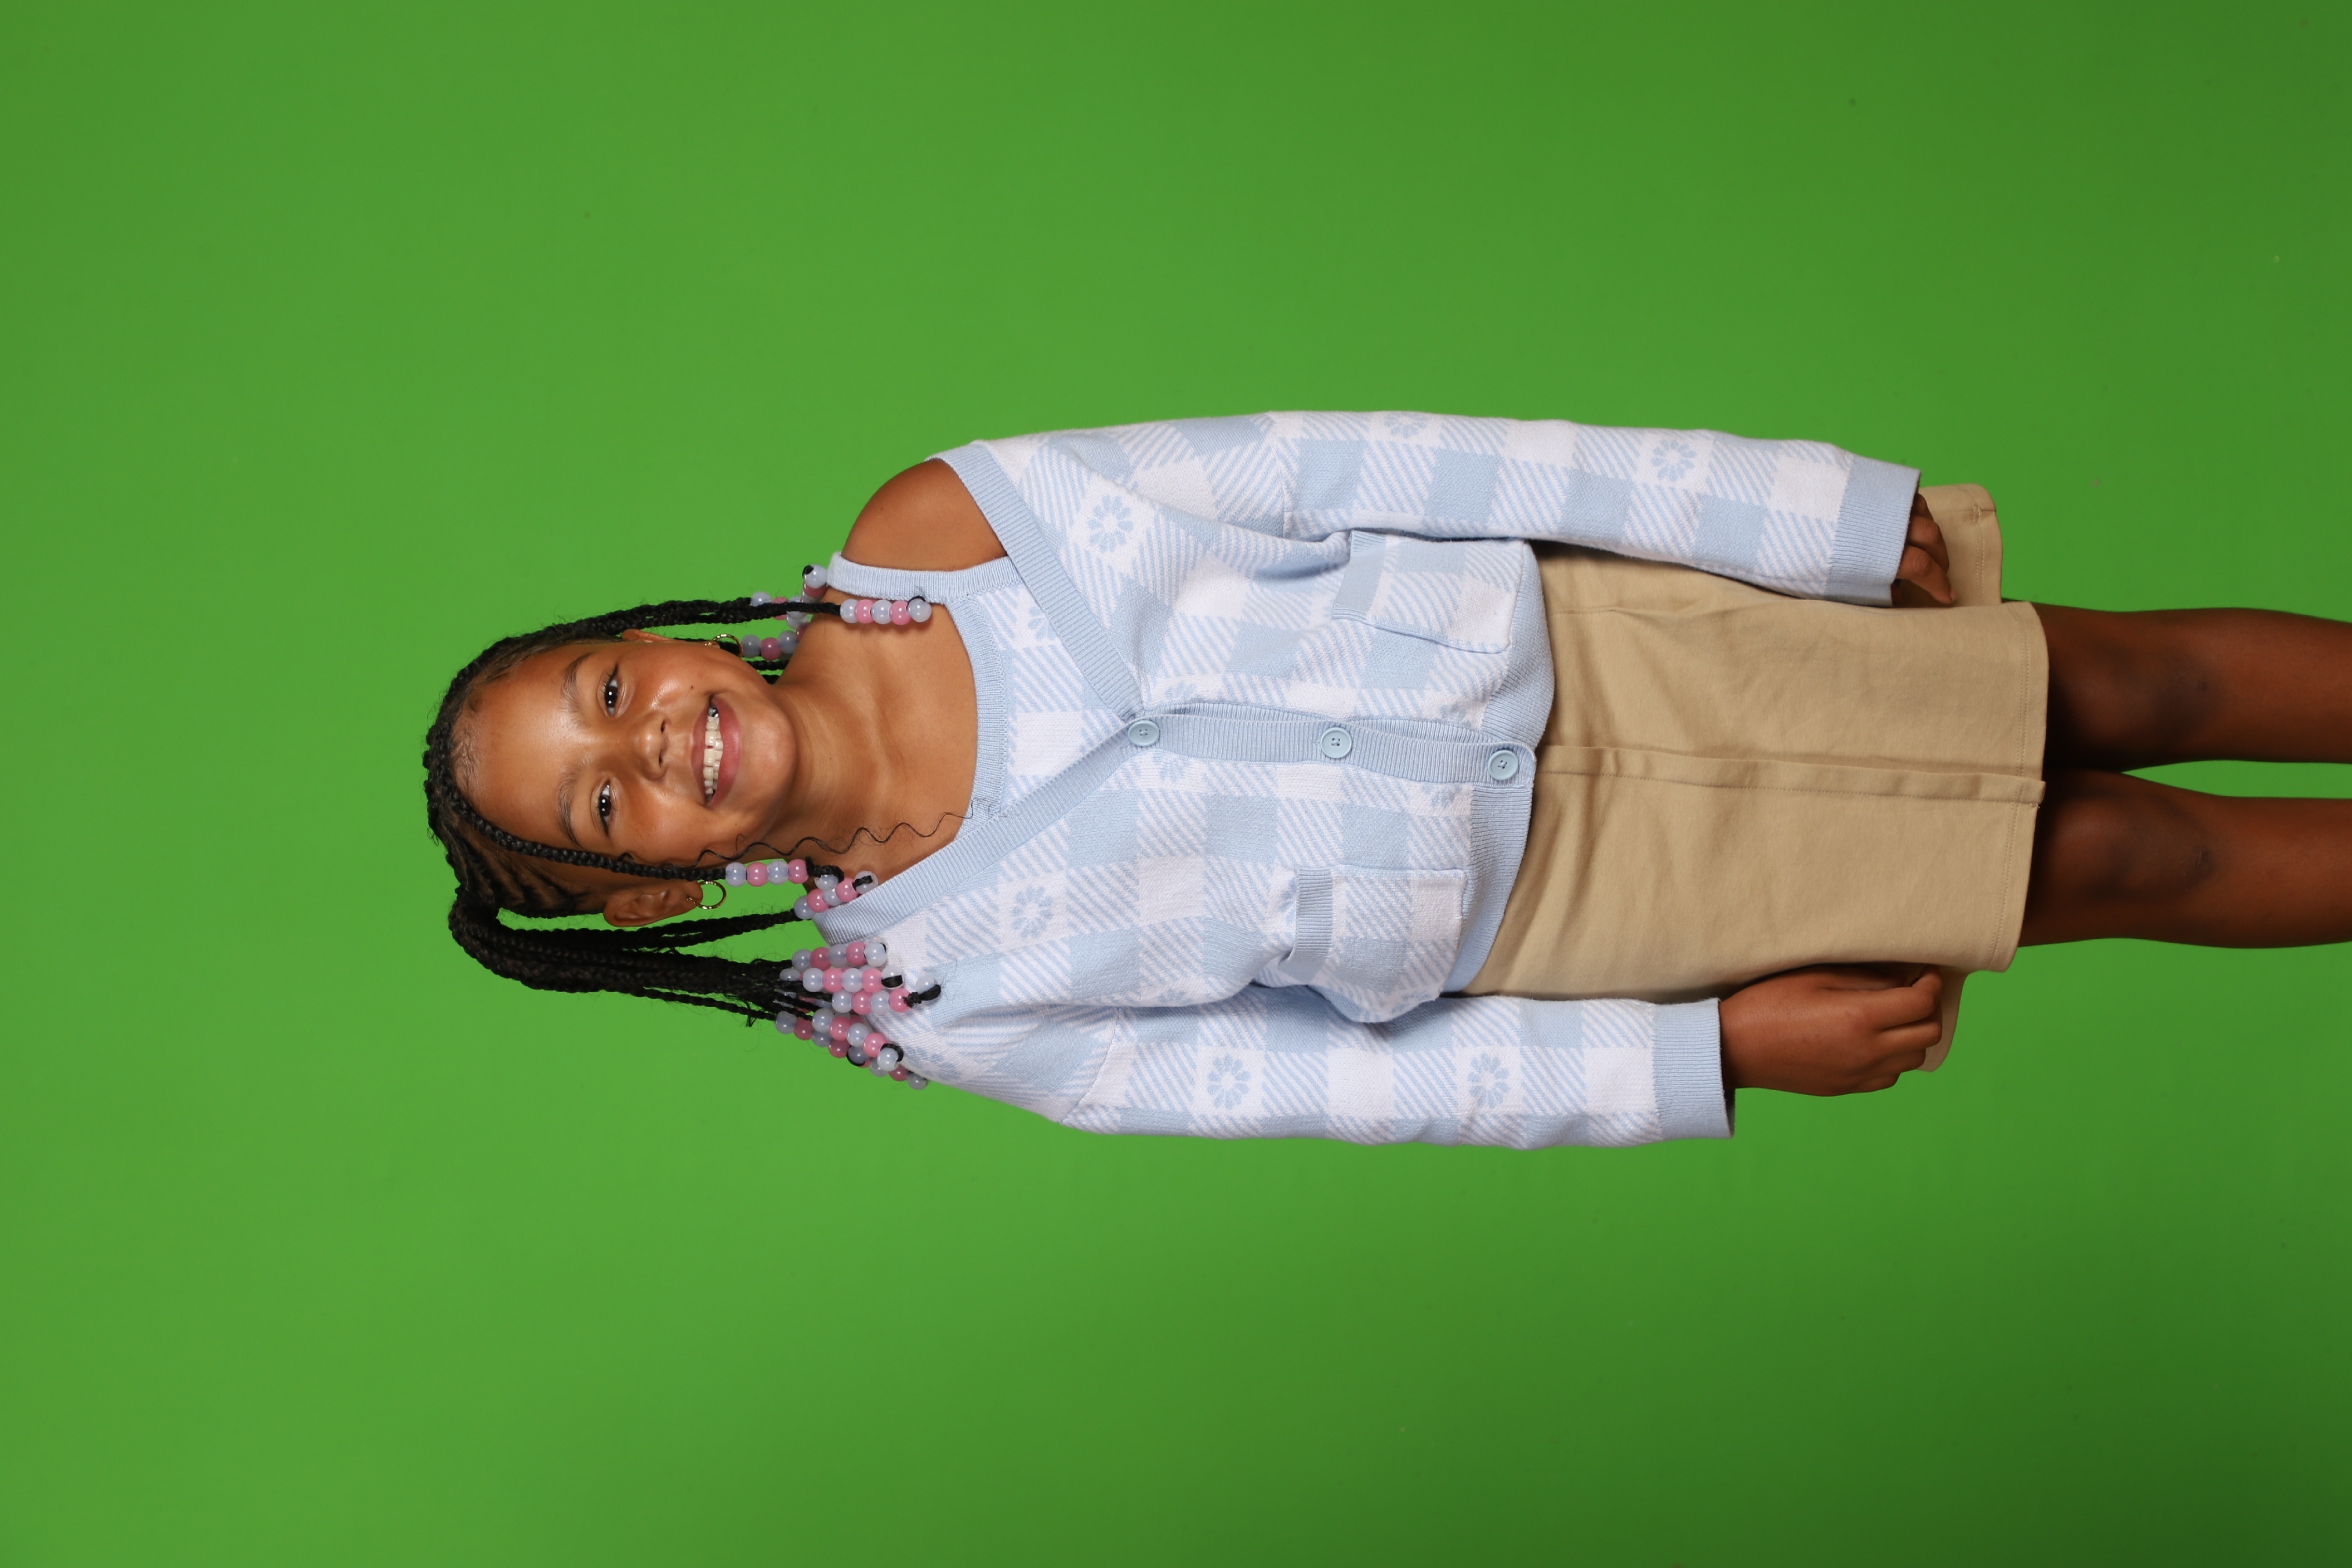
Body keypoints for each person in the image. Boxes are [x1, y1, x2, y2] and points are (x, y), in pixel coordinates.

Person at [421, 411, 2352, 1148]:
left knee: (2124, 676)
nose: (648, 741)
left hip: (1610, 633)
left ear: (645, 639)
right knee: (2113, 859)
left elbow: (1361, 458)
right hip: (1583, 912)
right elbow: (1337, 1086)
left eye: (608, 689)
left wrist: (1792, 515)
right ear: (653, 892)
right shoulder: (943, 997)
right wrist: (1704, 1059)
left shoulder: (941, 531)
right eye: (605, 807)